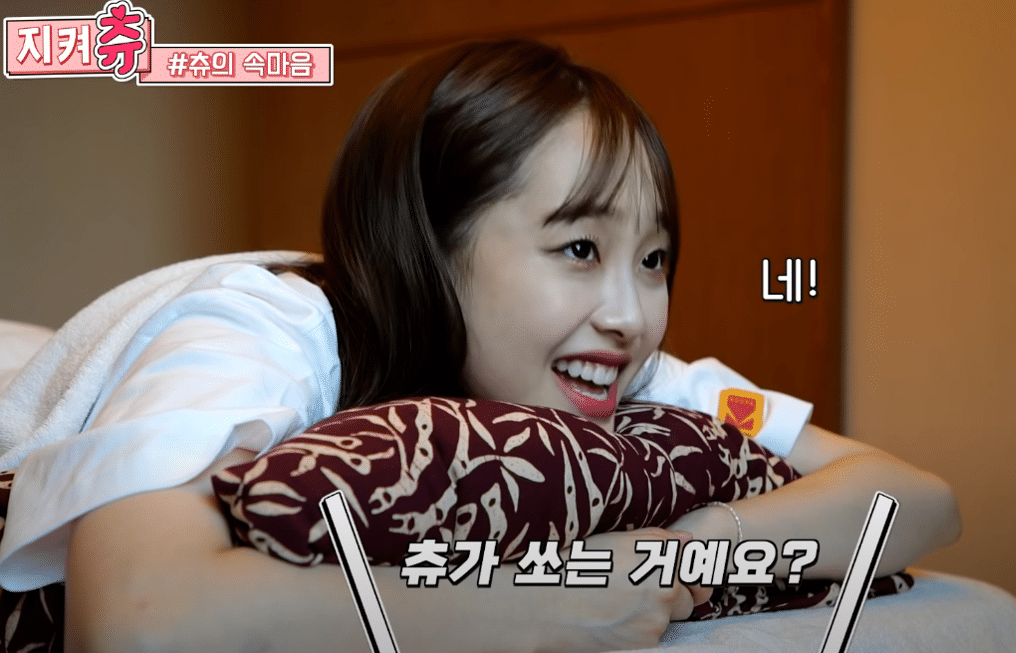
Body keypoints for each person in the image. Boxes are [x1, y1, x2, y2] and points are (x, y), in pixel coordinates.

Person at [0, 39, 959, 652]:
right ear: (431, 243)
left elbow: (917, 497)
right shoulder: (261, 330)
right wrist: (529, 605)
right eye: (579, 249)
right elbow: (137, 619)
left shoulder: (626, 366)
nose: (631, 314)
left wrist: (687, 552)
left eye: (654, 259)